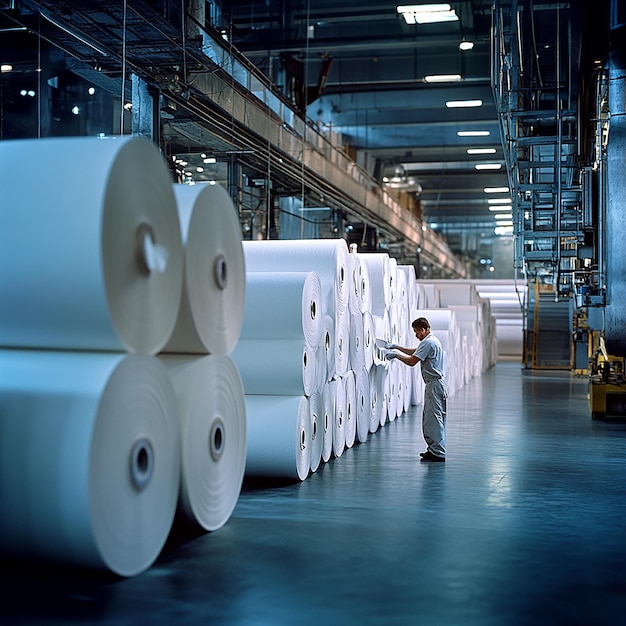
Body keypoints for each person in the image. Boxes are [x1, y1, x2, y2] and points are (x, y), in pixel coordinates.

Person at [386, 317, 447, 462]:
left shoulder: (428, 342)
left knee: (433, 419)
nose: (416, 335)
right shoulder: (432, 341)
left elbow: (413, 361)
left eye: (416, 332)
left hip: (434, 385)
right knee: (433, 418)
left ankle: (438, 452)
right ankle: (434, 449)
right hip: (435, 384)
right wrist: (396, 346)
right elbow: (416, 351)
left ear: (423, 329)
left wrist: (396, 355)